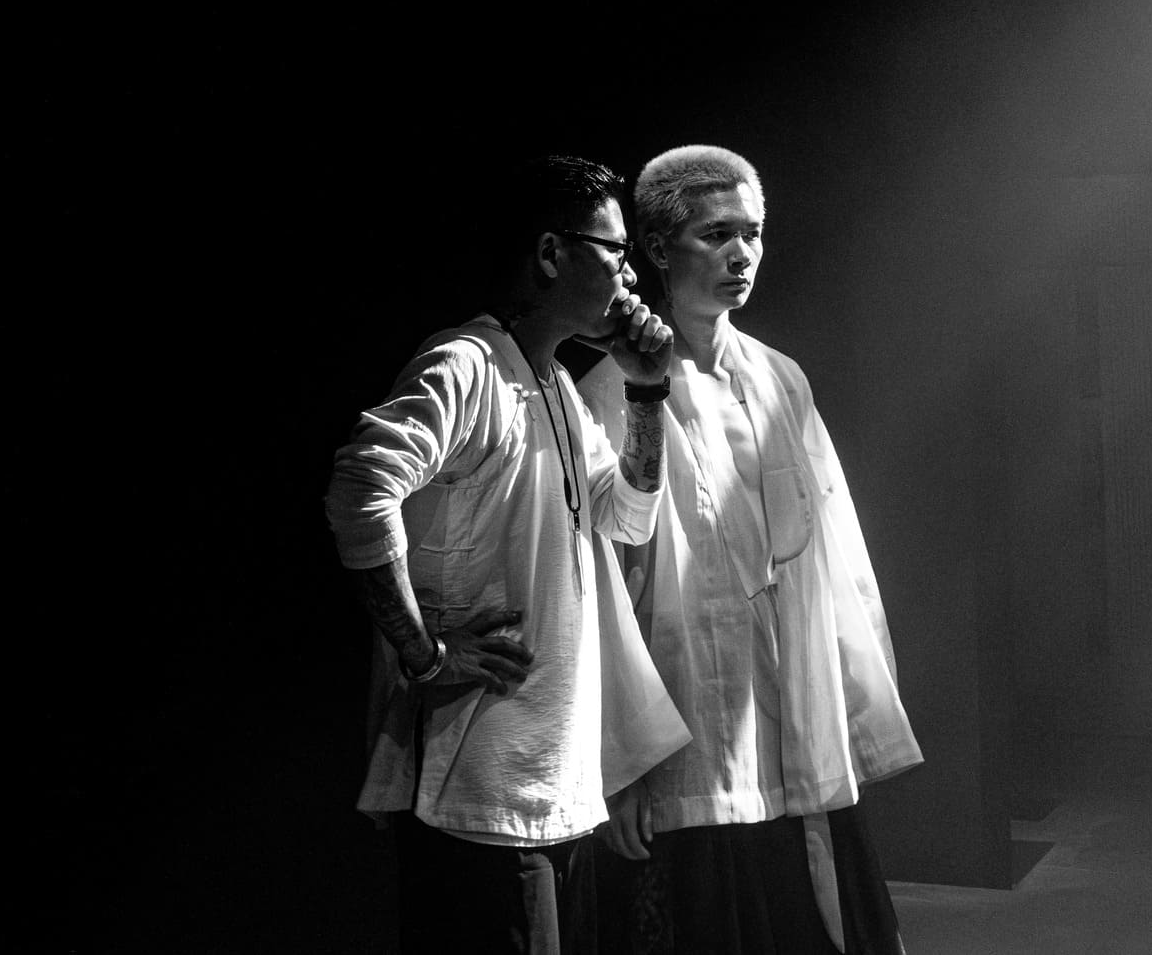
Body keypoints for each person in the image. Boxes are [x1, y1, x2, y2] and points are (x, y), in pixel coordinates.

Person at [324, 153, 690, 955]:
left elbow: (628, 517)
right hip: (480, 799)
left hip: (556, 787)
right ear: (552, 253)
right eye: (616, 251)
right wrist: (424, 652)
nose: (631, 277)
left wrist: (646, 389)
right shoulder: (466, 364)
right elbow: (360, 488)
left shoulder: (555, 386)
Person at [580, 144, 922, 954]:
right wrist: (617, 762)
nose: (742, 254)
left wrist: (855, 705)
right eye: (717, 234)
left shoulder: (780, 378)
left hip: (793, 716)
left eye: (753, 233)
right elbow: (601, 589)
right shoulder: (610, 390)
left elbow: (836, 550)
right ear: (659, 248)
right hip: (686, 728)